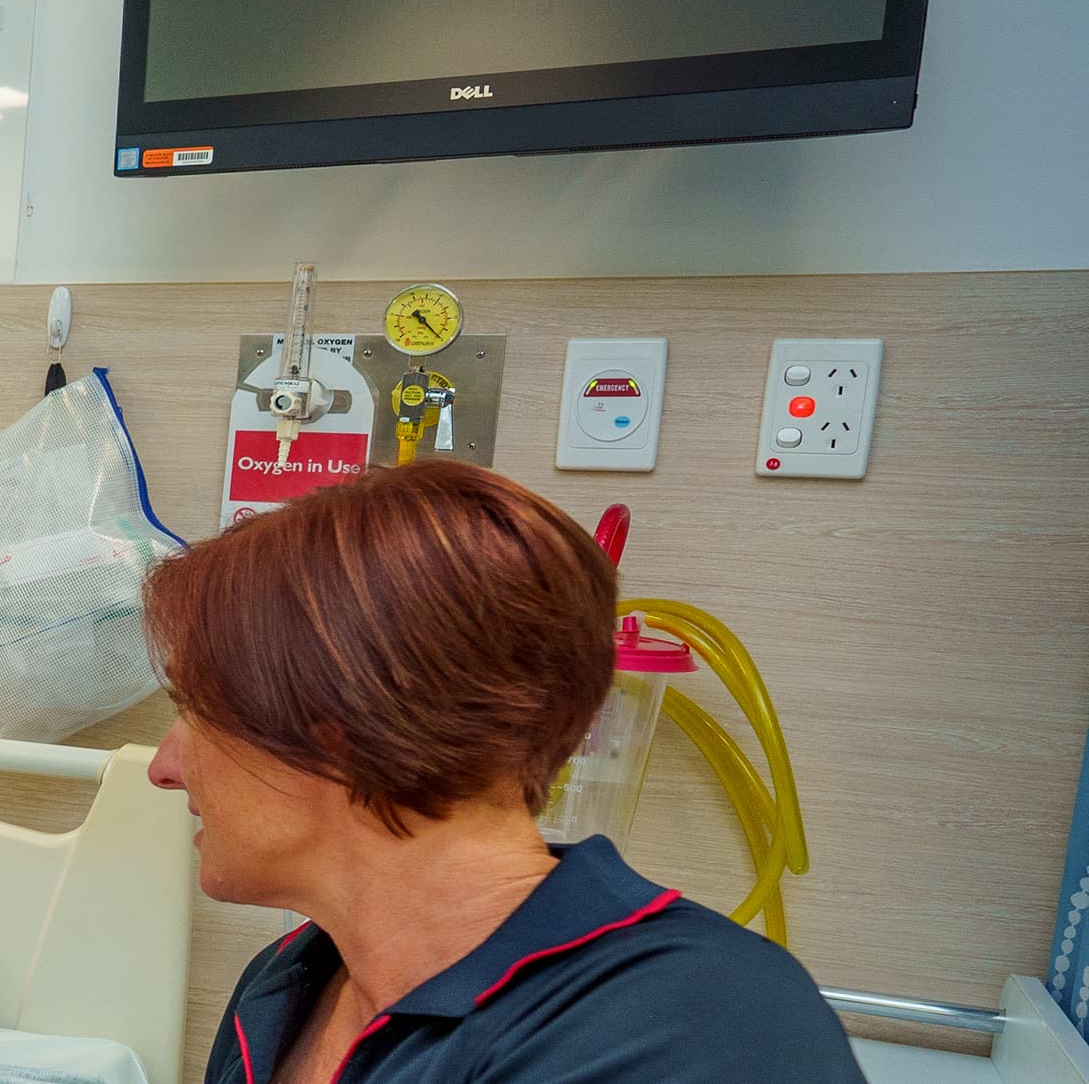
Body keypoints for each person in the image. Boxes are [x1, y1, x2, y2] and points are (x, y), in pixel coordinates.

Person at [141, 459, 862, 1083]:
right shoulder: (285, 987)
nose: (164, 768)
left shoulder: (692, 1026)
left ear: (336, 732)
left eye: (194, 711)